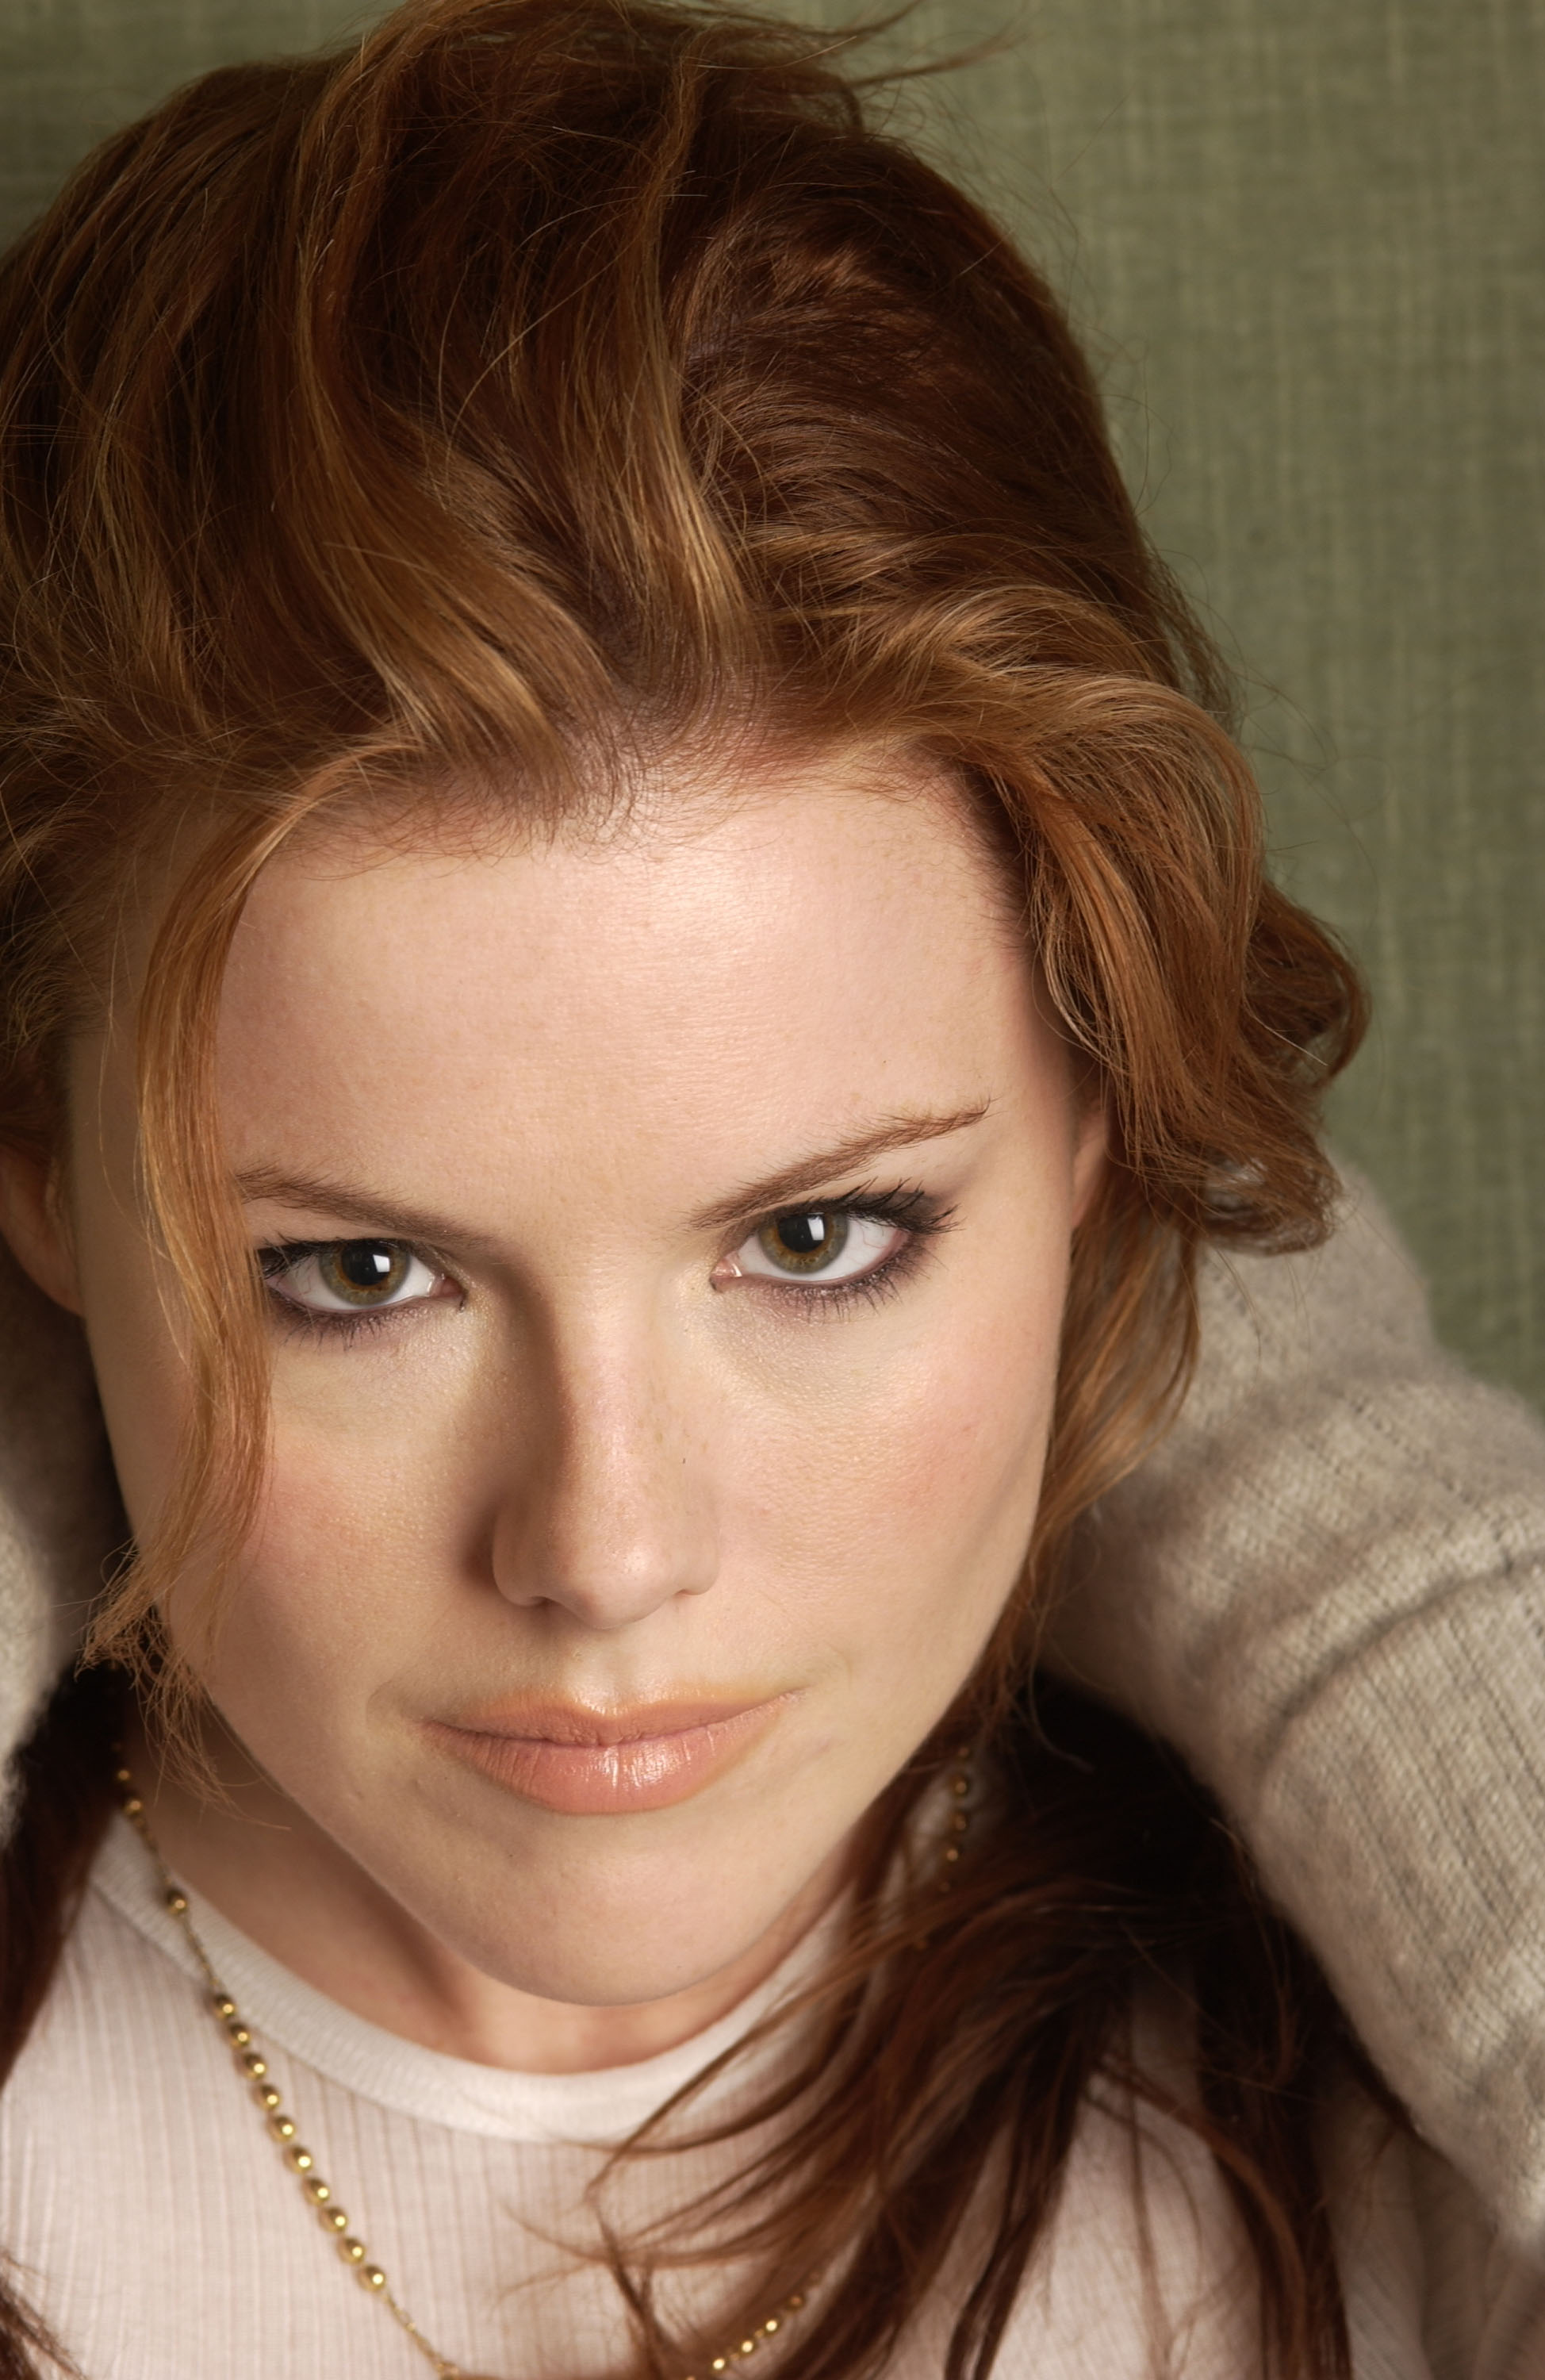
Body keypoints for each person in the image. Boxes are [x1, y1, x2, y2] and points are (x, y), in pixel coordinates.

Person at [1, 2, 1543, 2374]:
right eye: (358, 1273)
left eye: (819, 1239)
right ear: (36, 1184)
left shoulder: (1392, 2145)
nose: (606, 1550)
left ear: (1098, 1121)